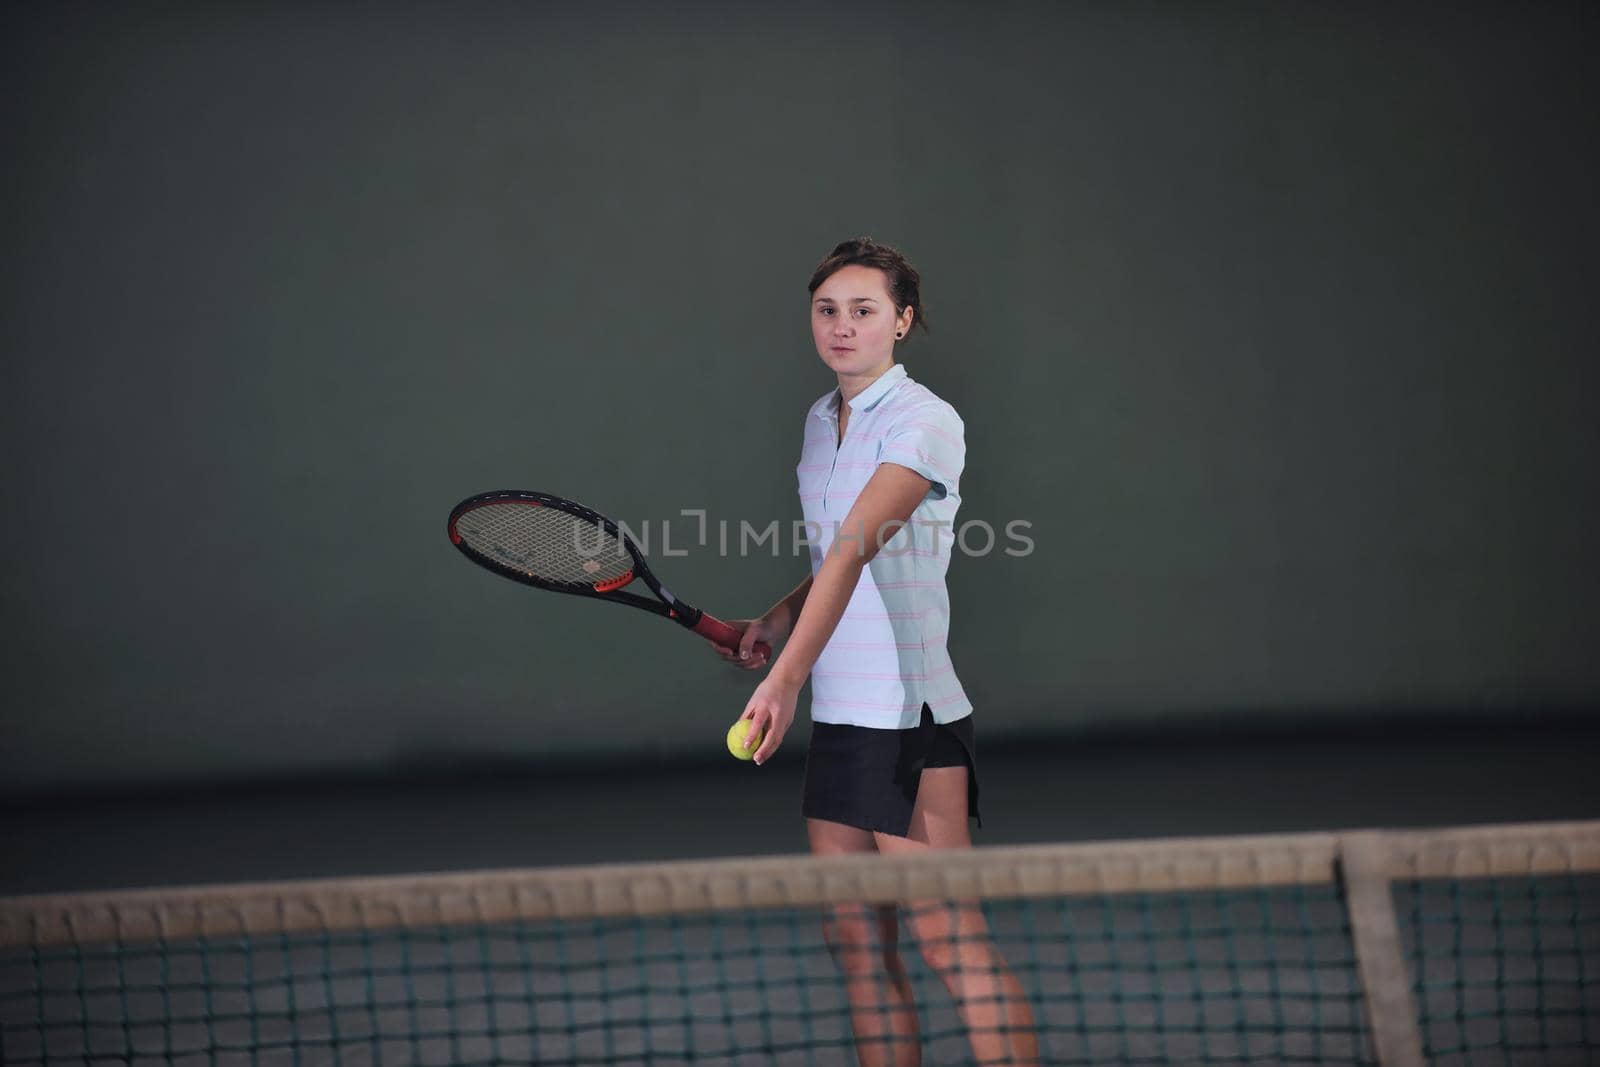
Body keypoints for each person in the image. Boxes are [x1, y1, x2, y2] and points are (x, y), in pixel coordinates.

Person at [707, 238, 1039, 1066]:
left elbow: (857, 548)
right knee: (855, 945)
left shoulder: (924, 422)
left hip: (911, 718)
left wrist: (782, 682)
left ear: (902, 320)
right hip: (844, 716)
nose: (843, 326)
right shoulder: (822, 422)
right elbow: (830, 562)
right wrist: (778, 622)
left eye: (864, 310)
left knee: (947, 938)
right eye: (828, 310)